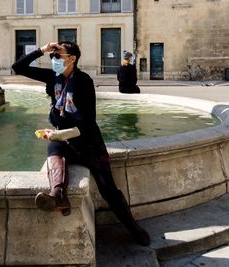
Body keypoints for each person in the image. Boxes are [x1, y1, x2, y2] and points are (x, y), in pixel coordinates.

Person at [12, 41, 150, 246]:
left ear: (72, 59)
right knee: (53, 147)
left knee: (108, 190)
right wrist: (42, 50)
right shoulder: (53, 78)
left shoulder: (84, 82)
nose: (54, 60)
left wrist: (59, 134)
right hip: (65, 141)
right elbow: (18, 68)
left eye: (58, 56)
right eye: (53, 56)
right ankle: (57, 195)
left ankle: (134, 229)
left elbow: (87, 124)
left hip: (89, 144)